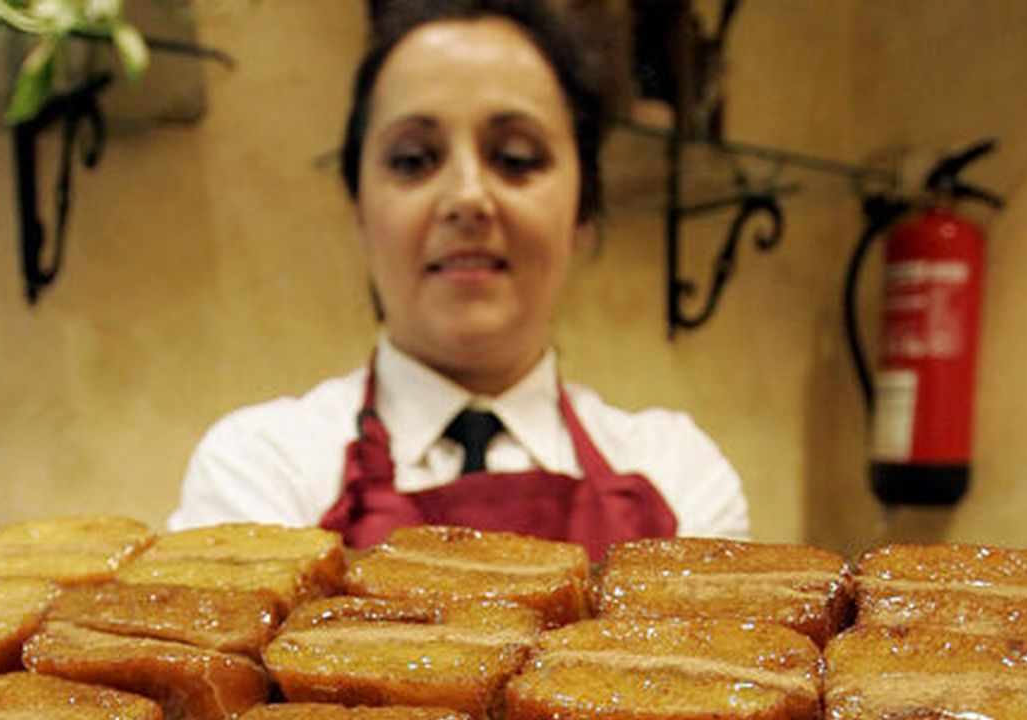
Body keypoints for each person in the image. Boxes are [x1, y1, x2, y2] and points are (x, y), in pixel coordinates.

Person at [171, 0, 748, 556]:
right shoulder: (261, 466)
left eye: (516, 158)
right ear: (359, 211)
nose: (467, 197)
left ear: (583, 211)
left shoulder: (678, 472)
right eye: (414, 160)